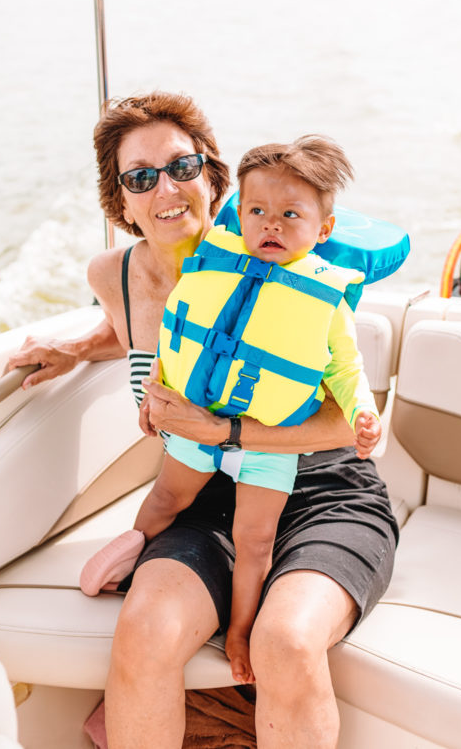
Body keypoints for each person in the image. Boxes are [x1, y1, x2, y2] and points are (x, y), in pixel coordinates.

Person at [8, 91, 398, 749]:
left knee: (286, 640)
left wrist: (229, 434)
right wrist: (72, 349)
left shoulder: (274, 255)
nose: (166, 188)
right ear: (120, 199)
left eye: (182, 167)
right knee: (145, 631)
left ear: (213, 179)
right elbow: (145, 333)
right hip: (203, 497)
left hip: (321, 489)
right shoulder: (115, 274)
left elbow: (351, 419)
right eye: (141, 176)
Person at [79, 136, 382, 685]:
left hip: (272, 441)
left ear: (325, 229)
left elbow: (345, 370)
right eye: (259, 212)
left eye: (291, 215)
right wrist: (147, 388)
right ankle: (132, 551)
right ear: (239, 214)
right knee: (165, 497)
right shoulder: (206, 267)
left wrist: (363, 411)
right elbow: (177, 338)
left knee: (255, 540)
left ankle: (241, 629)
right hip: (196, 431)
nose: (272, 225)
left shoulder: (329, 300)